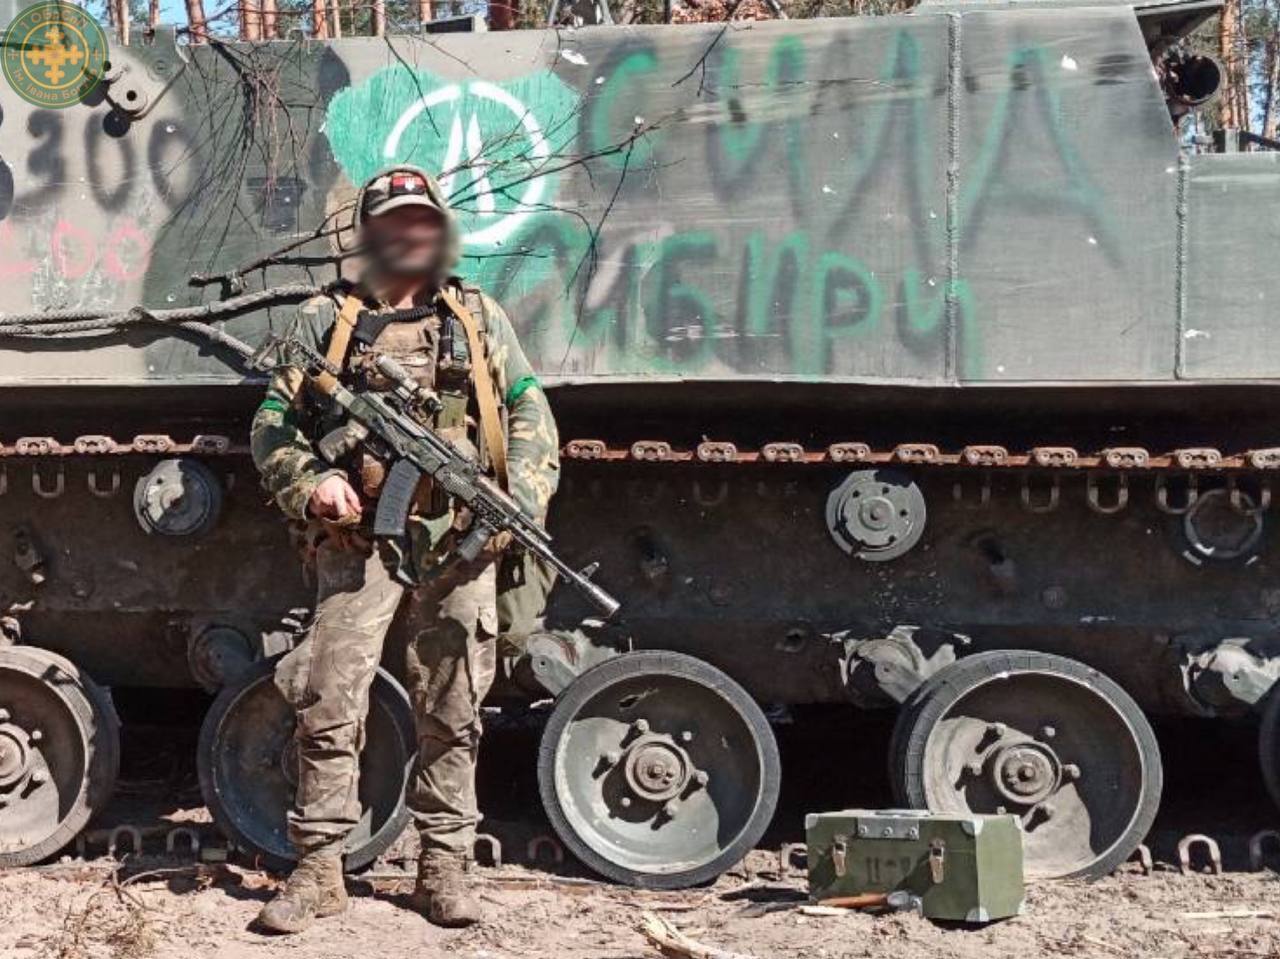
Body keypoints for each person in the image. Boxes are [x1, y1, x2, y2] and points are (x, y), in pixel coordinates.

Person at [248, 165, 560, 932]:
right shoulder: (332, 319)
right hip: (359, 541)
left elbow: (530, 409)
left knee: (454, 706)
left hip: (460, 540)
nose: (408, 235)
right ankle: (319, 866)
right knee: (328, 697)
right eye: (393, 224)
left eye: (421, 222)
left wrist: (518, 493)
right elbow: (270, 423)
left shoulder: (476, 317)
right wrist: (312, 482)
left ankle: (443, 866)